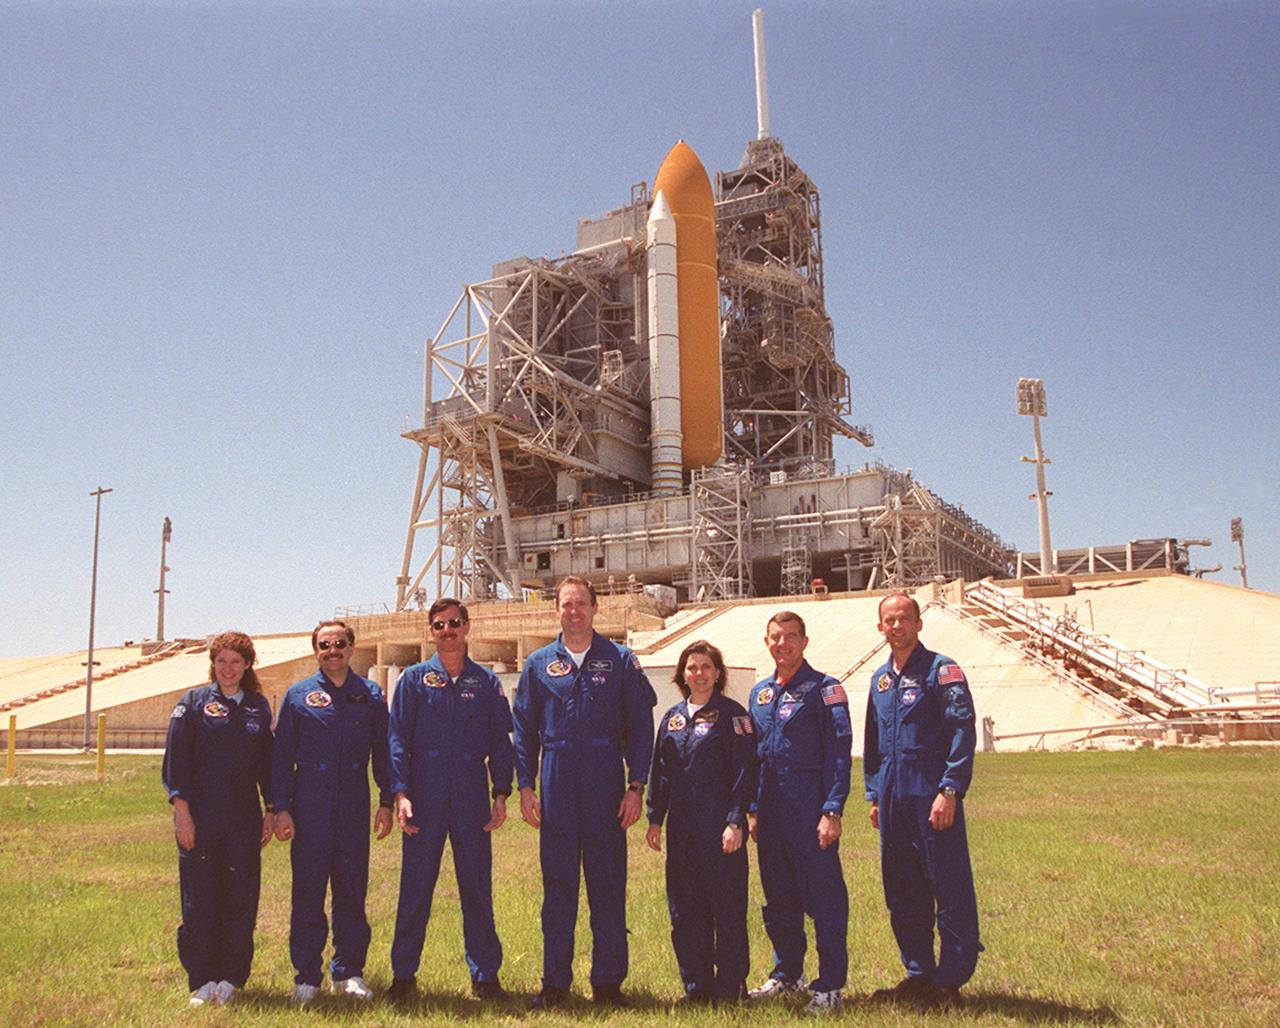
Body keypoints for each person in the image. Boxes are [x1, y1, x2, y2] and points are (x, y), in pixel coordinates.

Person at [512, 575, 657, 1009]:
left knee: (607, 884)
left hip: (604, 778)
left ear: (596, 609)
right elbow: (523, 730)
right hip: (556, 777)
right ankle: (555, 983)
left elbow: (641, 728)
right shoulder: (539, 664)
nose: (573, 611)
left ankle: (608, 983)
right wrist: (524, 785)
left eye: (581, 604)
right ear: (555, 610)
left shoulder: (620, 660)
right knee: (558, 886)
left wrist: (636, 787)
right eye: (566, 604)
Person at [386, 598, 514, 1003]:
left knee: (476, 886)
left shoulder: (486, 682)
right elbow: (397, 740)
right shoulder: (413, 680)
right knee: (416, 887)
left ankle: (485, 976)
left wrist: (500, 792)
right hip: (424, 793)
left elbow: (500, 741)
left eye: (455, 623)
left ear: (467, 626)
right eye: (439, 624)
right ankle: (404, 975)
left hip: (471, 793)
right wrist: (400, 792)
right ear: (430, 631)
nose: (448, 630)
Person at [864, 592, 982, 1008]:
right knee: (902, 886)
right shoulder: (880, 679)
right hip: (893, 795)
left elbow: (961, 731)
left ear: (918, 623)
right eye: (889, 621)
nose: (896, 627)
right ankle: (918, 972)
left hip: (931, 792)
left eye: (904, 619)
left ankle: (950, 978)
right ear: (880, 628)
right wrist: (875, 795)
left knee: (947, 882)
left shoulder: (940, 670)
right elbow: (874, 742)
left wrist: (950, 788)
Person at [271, 620, 394, 1004]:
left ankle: (348, 972)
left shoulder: (370, 694)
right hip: (309, 804)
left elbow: (383, 753)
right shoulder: (298, 696)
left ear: (352, 648)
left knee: (351, 892)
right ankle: (307, 977)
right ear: (316, 651)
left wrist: (386, 801)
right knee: (308, 892)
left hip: (354, 804)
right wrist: (282, 808)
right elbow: (281, 759)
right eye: (325, 645)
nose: (333, 650)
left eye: (340, 643)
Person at [162, 630, 275, 1007]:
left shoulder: (258, 707)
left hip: (243, 819)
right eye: (221, 661)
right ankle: (201, 978)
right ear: (213, 664)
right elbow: (176, 763)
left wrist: (271, 809)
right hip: (201, 819)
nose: (228, 668)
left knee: (240, 900)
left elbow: (267, 766)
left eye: (236, 662)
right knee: (200, 898)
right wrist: (183, 814)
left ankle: (230, 978)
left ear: (247, 666)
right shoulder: (192, 704)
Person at [747, 610, 852, 1015]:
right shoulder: (760, 694)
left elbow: (838, 754)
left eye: (791, 636)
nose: (782, 644)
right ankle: (787, 973)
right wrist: (753, 810)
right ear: (767, 641)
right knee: (779, 899)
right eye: (775, 637)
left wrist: (832, 809)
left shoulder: (825, 689)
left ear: (804, 642)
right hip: (771, 815)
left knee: (824, 899)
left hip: (810, 810)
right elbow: (754, 758)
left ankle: (829, 986)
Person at [646, 639, 756, 1006]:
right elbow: (660, 772)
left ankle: (731, 986)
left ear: (718, 673)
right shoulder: (673, 718)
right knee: (686, 909)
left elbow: (745, 771)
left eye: (706, 667)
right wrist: (655, 819)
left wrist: (735, 820)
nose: (699, 674)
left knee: (726, 907)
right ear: (682, 674)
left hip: (720, 827)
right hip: (682, 830)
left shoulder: (734, 716)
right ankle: (696, 986)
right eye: (692, 667)